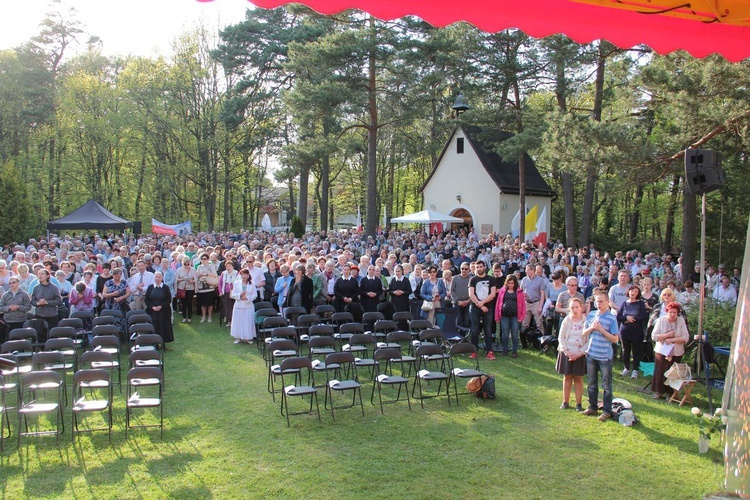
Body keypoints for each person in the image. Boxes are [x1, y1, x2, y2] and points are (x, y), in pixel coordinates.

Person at [581, 291, 620, 421]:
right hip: (591, 353)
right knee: (591, 383)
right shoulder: (591, 315)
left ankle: (607, 410)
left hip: (604, 356)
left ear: (608, 302)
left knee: (606, 386)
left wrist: (602, 330)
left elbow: (615, 339)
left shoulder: (611, 318)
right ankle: (592, 406)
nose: (598, 304)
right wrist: (592, 327)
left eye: (601, 301)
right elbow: (584, 333)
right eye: (597, 301)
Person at [650, 302, 689, 399]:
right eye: (670, 312)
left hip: (676, 351)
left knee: (672, 372)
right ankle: (659, 391)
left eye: (674, 312)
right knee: (660, 371)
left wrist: (672, 340)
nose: (672, 314)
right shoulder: (661, 320)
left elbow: (686, 337)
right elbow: (654, 336)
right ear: (667, 312)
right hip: (662, 351)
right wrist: (667, 336)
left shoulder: (681, 321)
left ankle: (670, 393)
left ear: (677, 313)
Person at [556, 297, 587, 411]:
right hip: (567, 352)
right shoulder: (566, 320)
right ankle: (565, 401)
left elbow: (588, 341)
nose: (574, 310)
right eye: (572, 307)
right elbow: (561, 337)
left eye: (576, 307)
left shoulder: (586, 321)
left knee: (578, 379)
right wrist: (566, 351)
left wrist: (580, 353)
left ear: (581, 308)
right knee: (567, 377)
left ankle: (579, 404)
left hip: (580, 353)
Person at [617, 285, 648, 379]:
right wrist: (626, 318)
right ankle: (626, 368)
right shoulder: (624, 303)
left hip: (636, 331)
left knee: (636, 351)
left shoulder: (640, 304)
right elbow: (618, 317)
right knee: (625, 350)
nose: (633, 293)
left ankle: (635, 370)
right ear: (628, 292)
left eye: (635, 291)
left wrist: (631, 319)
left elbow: (643, 316)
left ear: (638, 293)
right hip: (624, 331)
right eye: (631, 291)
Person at [469, 260, 497, 360]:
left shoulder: (492, 279)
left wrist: (483, 303)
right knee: (474, 330)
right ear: (475, 268)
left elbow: (493, 294)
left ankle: (489, 351)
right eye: (477, 267)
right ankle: (474, 351)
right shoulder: (472, 279)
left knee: (488, 330)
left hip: (488, 307)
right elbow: (471, 294)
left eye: (481, 267)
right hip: (475, 307)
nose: (479, 269)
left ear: (484, 267)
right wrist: (480, 305)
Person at [494, 274, 525, 358]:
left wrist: (521, 317)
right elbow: (498, 304)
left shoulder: (519, 292)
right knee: (504, 334)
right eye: (509, 283)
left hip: (515, 316)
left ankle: (514, 351)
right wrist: (497, 316)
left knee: (515, 334)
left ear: (515, 283)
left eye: (512, 283)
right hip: (504, 316)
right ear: (506, 283)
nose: (510, 285)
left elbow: (523, 306)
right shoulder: (502, 290)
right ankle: (505, 350)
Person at [145, 271, 174, 344]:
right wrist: (152, 307)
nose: (157, 279)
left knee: (163, 326)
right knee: (154, 326)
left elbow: (168, 299)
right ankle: (154, 343)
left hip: (163, 311)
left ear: (162, 278)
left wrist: (160, 306)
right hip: (152, 311)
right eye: (156, 277)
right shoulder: (150, 287)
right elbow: (146, 299)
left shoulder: (165, 287)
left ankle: (163, 343)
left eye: (159, 277)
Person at [230, 268, 257, 344]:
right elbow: (233, 294)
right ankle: (238, 337)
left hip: (248, 306)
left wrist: (247, 298)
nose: (243, 276)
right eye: (242, 274)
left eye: (245, 274)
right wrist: (240, 295)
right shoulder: (236, 283)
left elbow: (255, 295)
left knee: (248, 321)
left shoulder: (252, 283)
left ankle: (248, 338)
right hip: (238, 305)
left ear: (248, 275)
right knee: (238, 321)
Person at [520, 264, 546, 336]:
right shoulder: (524, 279)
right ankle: (525, 340)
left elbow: (542, 293)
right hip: (526, 303)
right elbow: (521, 291)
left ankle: (541, 340)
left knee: (539, 323)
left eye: (528, 270)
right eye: (526, 269)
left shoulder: (540, 280)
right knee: (525, 323)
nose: (526, 271)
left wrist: (540, 306)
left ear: (533, 270)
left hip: (536, 303)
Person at [450, 262, 472, 334]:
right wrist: (457, 301)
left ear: (469, 270)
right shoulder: (455, 278)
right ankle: (455, 338)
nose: (464, 270)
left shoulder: (471, 279)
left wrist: (468, 301)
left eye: (466, 269)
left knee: (466, 321)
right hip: (457, 303)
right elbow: (451, 291)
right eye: (462, 268)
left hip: (468, 304)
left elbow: (474, 292)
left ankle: (462, 338)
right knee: (457, 321)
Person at [196, 253, 219, 322]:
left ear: (208, 259)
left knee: (210, 303)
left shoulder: (211, 266)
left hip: (210, 287)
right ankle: (203, 316)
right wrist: (201, 275)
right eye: (202, 259)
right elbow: (197, 276)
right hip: (201, 287)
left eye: (205, 259)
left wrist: (207, 274)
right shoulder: (199, 267)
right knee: (203, 304)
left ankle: (209, 316)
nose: (203, 260)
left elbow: (215, 275)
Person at [175, 255, 198, 323]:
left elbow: (196, 279)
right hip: (182, 289)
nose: (187, 265)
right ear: (183, 263)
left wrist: (191, 281)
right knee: (183, 303)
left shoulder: (193, 270)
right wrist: (183, 279)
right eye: (185, 264)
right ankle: (184, 317)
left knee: (189, 303)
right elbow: (176, 279)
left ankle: (190, 317)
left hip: (190, 288)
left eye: (188, 264)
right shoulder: (179, 270)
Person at [218, 260, 238, 327]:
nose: (228, 267)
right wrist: (220, 291)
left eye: (229, 266)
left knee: (233, 307)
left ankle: (234, 321)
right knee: (227, 307)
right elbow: (220, 283)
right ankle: (229, 321)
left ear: (232, 266)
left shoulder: (237, 273)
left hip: (234, 293)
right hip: (226, 293)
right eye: (227, 266)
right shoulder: (224, 273)